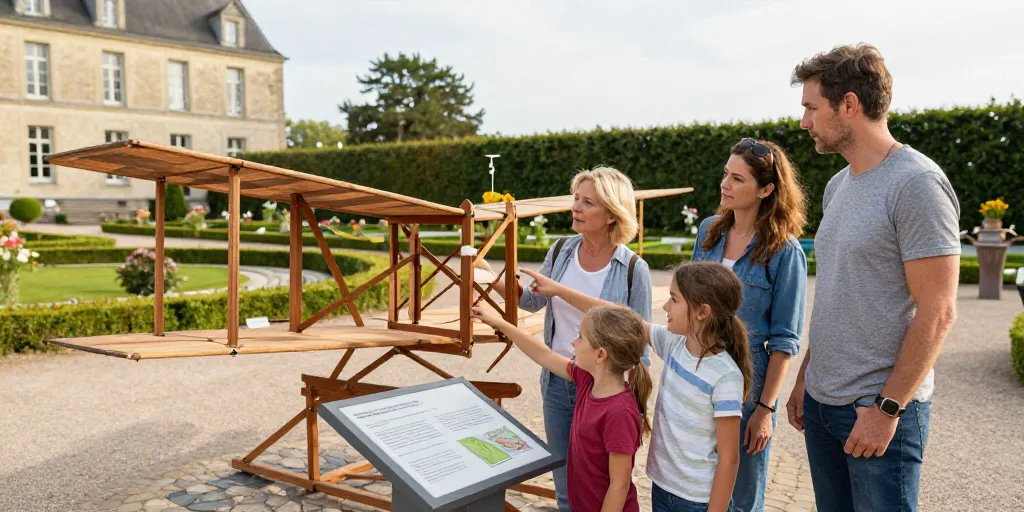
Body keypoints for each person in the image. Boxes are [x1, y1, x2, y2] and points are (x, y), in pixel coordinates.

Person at [786, 43, 960, 511]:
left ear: (849, 105)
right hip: (824, 406)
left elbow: (939, 310)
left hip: (876, 411)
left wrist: (888, 409)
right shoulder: (838, 185)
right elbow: (840, 291)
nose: (804, 121)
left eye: (811, 107)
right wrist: (807, 376)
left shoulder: (917, 184)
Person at [476, 166, 652, 511]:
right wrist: (487, 280)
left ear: (612, 214)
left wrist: (636, 401)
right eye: (576, 199)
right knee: (565, 483)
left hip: (606, 387)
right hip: (560, 379)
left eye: (588, 203)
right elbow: (533, 299)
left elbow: (640, 335)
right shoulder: (560, 250)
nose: (576, 208)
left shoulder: (634, 269)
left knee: (604, 481)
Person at [520, 261, 752, 512]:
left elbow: (729, 460)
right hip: (662, 488)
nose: (665, 306)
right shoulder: (674, 344)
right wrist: (559, 290)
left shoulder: (726, 377)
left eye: (674, 300)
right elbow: (618, 319)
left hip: (696, 500)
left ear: (702, 311)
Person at [690, 138, 808, 511]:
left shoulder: (784, 252)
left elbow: (785, 341)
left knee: (741, 499)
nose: (725, 184)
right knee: (695, 487)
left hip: (746, 390)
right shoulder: (709, 231)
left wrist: (765, 410)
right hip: (696, 380)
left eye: (737, 179)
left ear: (767, 189)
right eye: (726, 174)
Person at [472, 304, 651, 512]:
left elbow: (619, 486)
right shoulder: (587, 380)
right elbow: (544, 355)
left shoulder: (619, 413)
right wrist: (500, 323)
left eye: (581, 337)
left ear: (600, 355)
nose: (573, 342)